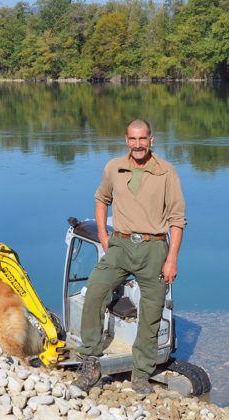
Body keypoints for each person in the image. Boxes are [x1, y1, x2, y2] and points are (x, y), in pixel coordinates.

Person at [73, 118, 186, 395]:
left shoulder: (167, 172)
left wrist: (172, 259)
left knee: (151, 311)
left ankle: (141, 374)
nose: (138, 145)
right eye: (133, 139)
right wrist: (103, 235)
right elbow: (101, 199)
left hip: (154, 248)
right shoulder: (114, 167)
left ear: (152, 140)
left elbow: (177, 220)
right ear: (126, 140)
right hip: (120, 245)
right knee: (97, 289)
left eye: (142, 139)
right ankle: (90, 363)